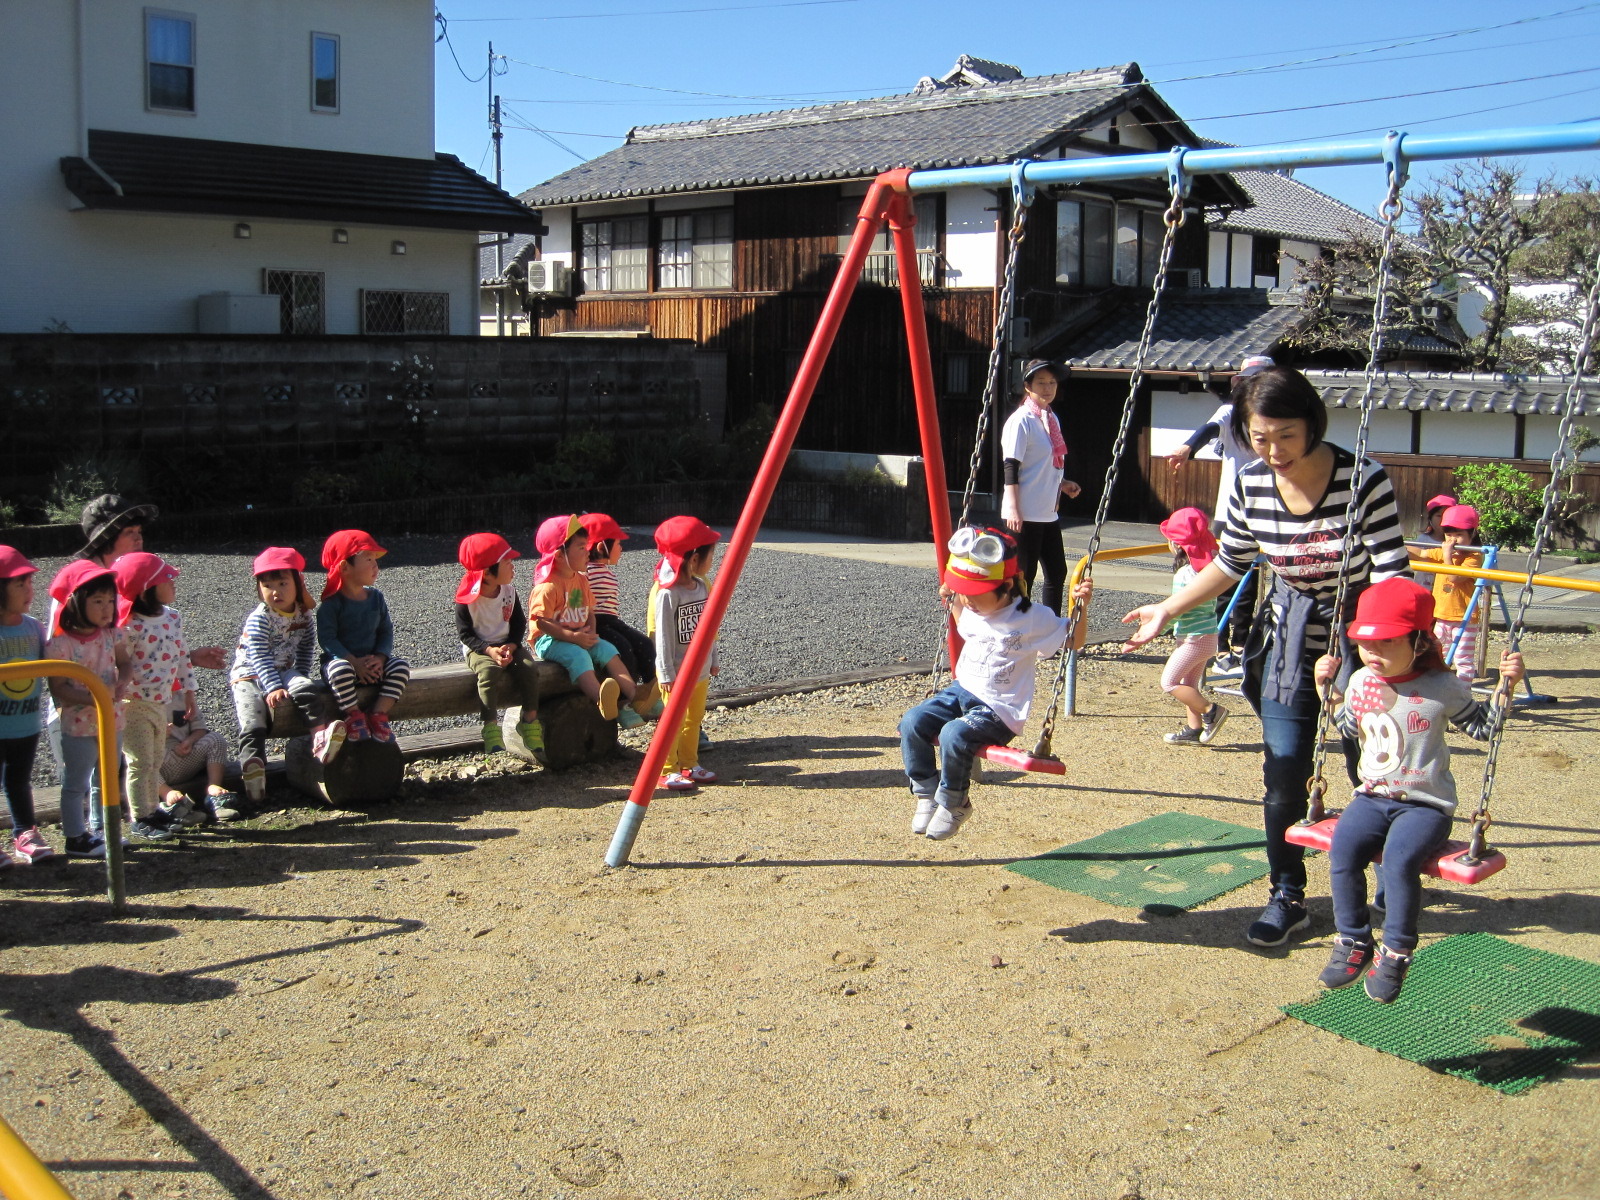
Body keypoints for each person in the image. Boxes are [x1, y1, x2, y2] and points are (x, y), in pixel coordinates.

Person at [1121, 365, 1411, 948]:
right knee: (1283, 774)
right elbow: (1229, 564)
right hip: (1288, 635)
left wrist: (1397, 652)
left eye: (1286, 434)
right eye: (1260, 437)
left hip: (1364, 634)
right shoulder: (1251, 484)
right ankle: (1288, 893)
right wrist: (1168, 610)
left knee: (1374, 766)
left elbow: (1391, 571)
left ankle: (1382, 876)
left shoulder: (1363, 479)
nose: (1273, 450)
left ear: (1312, 425)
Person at [1311, 578, 1524, 1002]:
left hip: (1424, 805)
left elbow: (1483, 729)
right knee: (1343, 851)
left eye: (1387, 642)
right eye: (1364, 643)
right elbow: (1350, 730)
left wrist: (1506, 688)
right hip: (1372, 796)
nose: (1372, 653)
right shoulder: (1359, 683)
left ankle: (1396, 950)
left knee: (1399, 860)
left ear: (1419, 641)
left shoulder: (1442, 687)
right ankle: (1354, 941)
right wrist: (1328, 693)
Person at [899, 524, 1091, 841]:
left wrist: (1081, 606)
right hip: (963, 691)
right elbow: (966, 624)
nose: (968, 599)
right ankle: (926, 793)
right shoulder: (969, 605)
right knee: (912, 722)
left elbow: (1074, 640)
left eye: (974, 593)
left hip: (999, 710)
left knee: (953, 733)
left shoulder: (1032, 616)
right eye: (963, 591)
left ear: (1006, 585)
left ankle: (954, 802)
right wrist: (954, 600)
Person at [1165, 354, 1277, 670]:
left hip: (1266, 511)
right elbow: (1209, 429)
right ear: (1241, 384)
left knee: (1251, 582)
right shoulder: (1232, 411)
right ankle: (1218, 645)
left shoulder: (1274, 417)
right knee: (1222, 578)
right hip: (1231, 511)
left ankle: (1242, 644)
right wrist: (1188, 447)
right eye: (1251, 380)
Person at [232, 546, 341, 804]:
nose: (275, 591)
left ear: (298, 582)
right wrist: (271, 688)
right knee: (253, 722)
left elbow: (305, 647)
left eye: (282, 583)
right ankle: (253, 769)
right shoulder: (260, 618)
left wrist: (298, 676)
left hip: (284, 670)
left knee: (306, 688)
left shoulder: (303, 614)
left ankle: (319, 737)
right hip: (249, 675)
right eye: (267, 585)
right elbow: (258, 655)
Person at [112, 552, 203, 841]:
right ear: (146, 588)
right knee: (140, 761)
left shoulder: (172, 618)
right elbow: (118, 664)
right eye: (167, 578)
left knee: (154, 759)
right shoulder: (129, 625)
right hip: (134, 703)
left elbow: (182, 657)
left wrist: (190, 693)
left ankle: (152, 809)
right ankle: (141, 817)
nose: (174, 581)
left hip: (161, 701)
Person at [45, 561, 131, 857]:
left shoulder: (113, 635)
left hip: (112, 721)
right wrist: (95, 696)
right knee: (76, 781)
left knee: (107, 777)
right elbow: (59, 689)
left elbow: (125, 662)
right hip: (79, 725)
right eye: (98, 601)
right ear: (76, 603)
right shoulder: (60, 645)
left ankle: (103, 828)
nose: (107, 608)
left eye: (111, 600)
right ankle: (75, 836)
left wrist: (122, 684)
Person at [528, 515, 636, 721]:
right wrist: (571, 637)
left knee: (607, 649)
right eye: (580, 547)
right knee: (579, 656)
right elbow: (542, 622)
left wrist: (591, 633)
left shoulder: (581, 580)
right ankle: (600, 699)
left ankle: (633, 694)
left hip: (576, 635)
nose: (587, 551)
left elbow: (588, 612)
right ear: (559, 555)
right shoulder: (548, 587)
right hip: (549, 639)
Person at [1000, 359, 1082, 616]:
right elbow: (1011, 465)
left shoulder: (1049, 418)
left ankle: (1051, 629)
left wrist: (1063, 483)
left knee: (1057, 572)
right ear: (1027, 386)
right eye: (1041, 383)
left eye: (1052, 383)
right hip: (1025, 512)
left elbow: (1046, 464)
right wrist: (1013, 508)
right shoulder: (1021, 420)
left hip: (1048, 510)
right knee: (1024, 576)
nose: (1047, 388)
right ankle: (1018, 631)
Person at [455, 532, 545, 757]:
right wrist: (488, 650)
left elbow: (518, 625)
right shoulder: (467, 599)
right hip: (479, 648)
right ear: (486, 571)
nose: (513, 566)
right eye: (507, 562)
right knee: (488, 672)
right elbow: (465, 634)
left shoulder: (509, 592)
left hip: (508, 644)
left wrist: (513, 646)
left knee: (530, 669)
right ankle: (490, 726)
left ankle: (529, 720)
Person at [649, 517, 722, 793]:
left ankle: (690, 763)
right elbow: (663, 637)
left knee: (694, 717)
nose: (713, 559)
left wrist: (713, 657)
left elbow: (709, 627)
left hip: (700, 670)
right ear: (693, 559)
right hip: (677, 672)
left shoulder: (703, 587)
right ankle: (666, 769)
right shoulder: (668, 595)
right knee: (673, 720)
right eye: (710, 553)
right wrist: (665, 672)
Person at [318, 531, 411, 745]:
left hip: (373, 663)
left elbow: (385, 631)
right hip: (344, 663)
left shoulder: (376, 598)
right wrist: (353, 662)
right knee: (338, 671)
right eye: (368, 559)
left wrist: (381, 657)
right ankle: (353, 714)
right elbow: (328, 639)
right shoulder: (332, 604)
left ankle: (378, 713)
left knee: (401, 667)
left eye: (375, 560)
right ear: (344, 567)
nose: (375, 566)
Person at [1154, 508, 1228, 747]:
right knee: (1188, 684)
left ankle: (1211, 710)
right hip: (1207, 634)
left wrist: (1157, 624)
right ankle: (1194, 729)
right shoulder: (1209, 568)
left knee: (1170, 682)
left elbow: (1177, 609)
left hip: (1193, 638)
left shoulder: (1185, 574)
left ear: (1176, 544)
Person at [0, 548, 52, 865]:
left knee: (19, 780)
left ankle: (25, 832)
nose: (29, 591)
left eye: (30, 583)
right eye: (20, 585)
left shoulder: (33, 627)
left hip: (27, 722)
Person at [583, 512, 660, 727]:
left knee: (644, 643)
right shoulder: (583, 572)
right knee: (623, 649)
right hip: (596, 622)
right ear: (601, 547)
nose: (621, 548)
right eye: (617, 543)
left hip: (611, 620)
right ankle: (624, 703)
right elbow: (579, 602)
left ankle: (651, 693)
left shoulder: (603, 570)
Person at [1414, 504, 1486, 683]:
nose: (1453, 540)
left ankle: (1463, 693)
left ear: (1472, 534)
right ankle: (1441, 689)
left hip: (1465, 618)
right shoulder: (1446, 551)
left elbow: (1454, 577)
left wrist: (1447, 555)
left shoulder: (1474, 557)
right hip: (1442, 616)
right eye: (1449, 535)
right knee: (1439, 655)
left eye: (1459, 535)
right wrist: (1398, 548)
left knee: (1462, 659)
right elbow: (1422, 553)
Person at [160, 707, 242, 823]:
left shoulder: (184, 697)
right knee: (141, 762)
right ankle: (167, 795)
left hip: (187, 756)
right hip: (159, 767)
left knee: (217, 739)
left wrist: (189, 741)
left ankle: (213, 789)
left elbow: (200, 729)